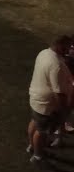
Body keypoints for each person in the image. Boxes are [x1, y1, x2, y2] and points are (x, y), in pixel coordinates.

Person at [27, 36, 71, 164]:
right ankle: (38, 156)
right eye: (67, 47)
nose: (68, 51)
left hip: (35, 99)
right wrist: (63, 110)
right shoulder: (56, 64)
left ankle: (32, 146)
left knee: (34, 122)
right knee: (42, 132)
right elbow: (59, 92)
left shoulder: (43, 53)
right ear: (60, 45)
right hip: (46, 104)